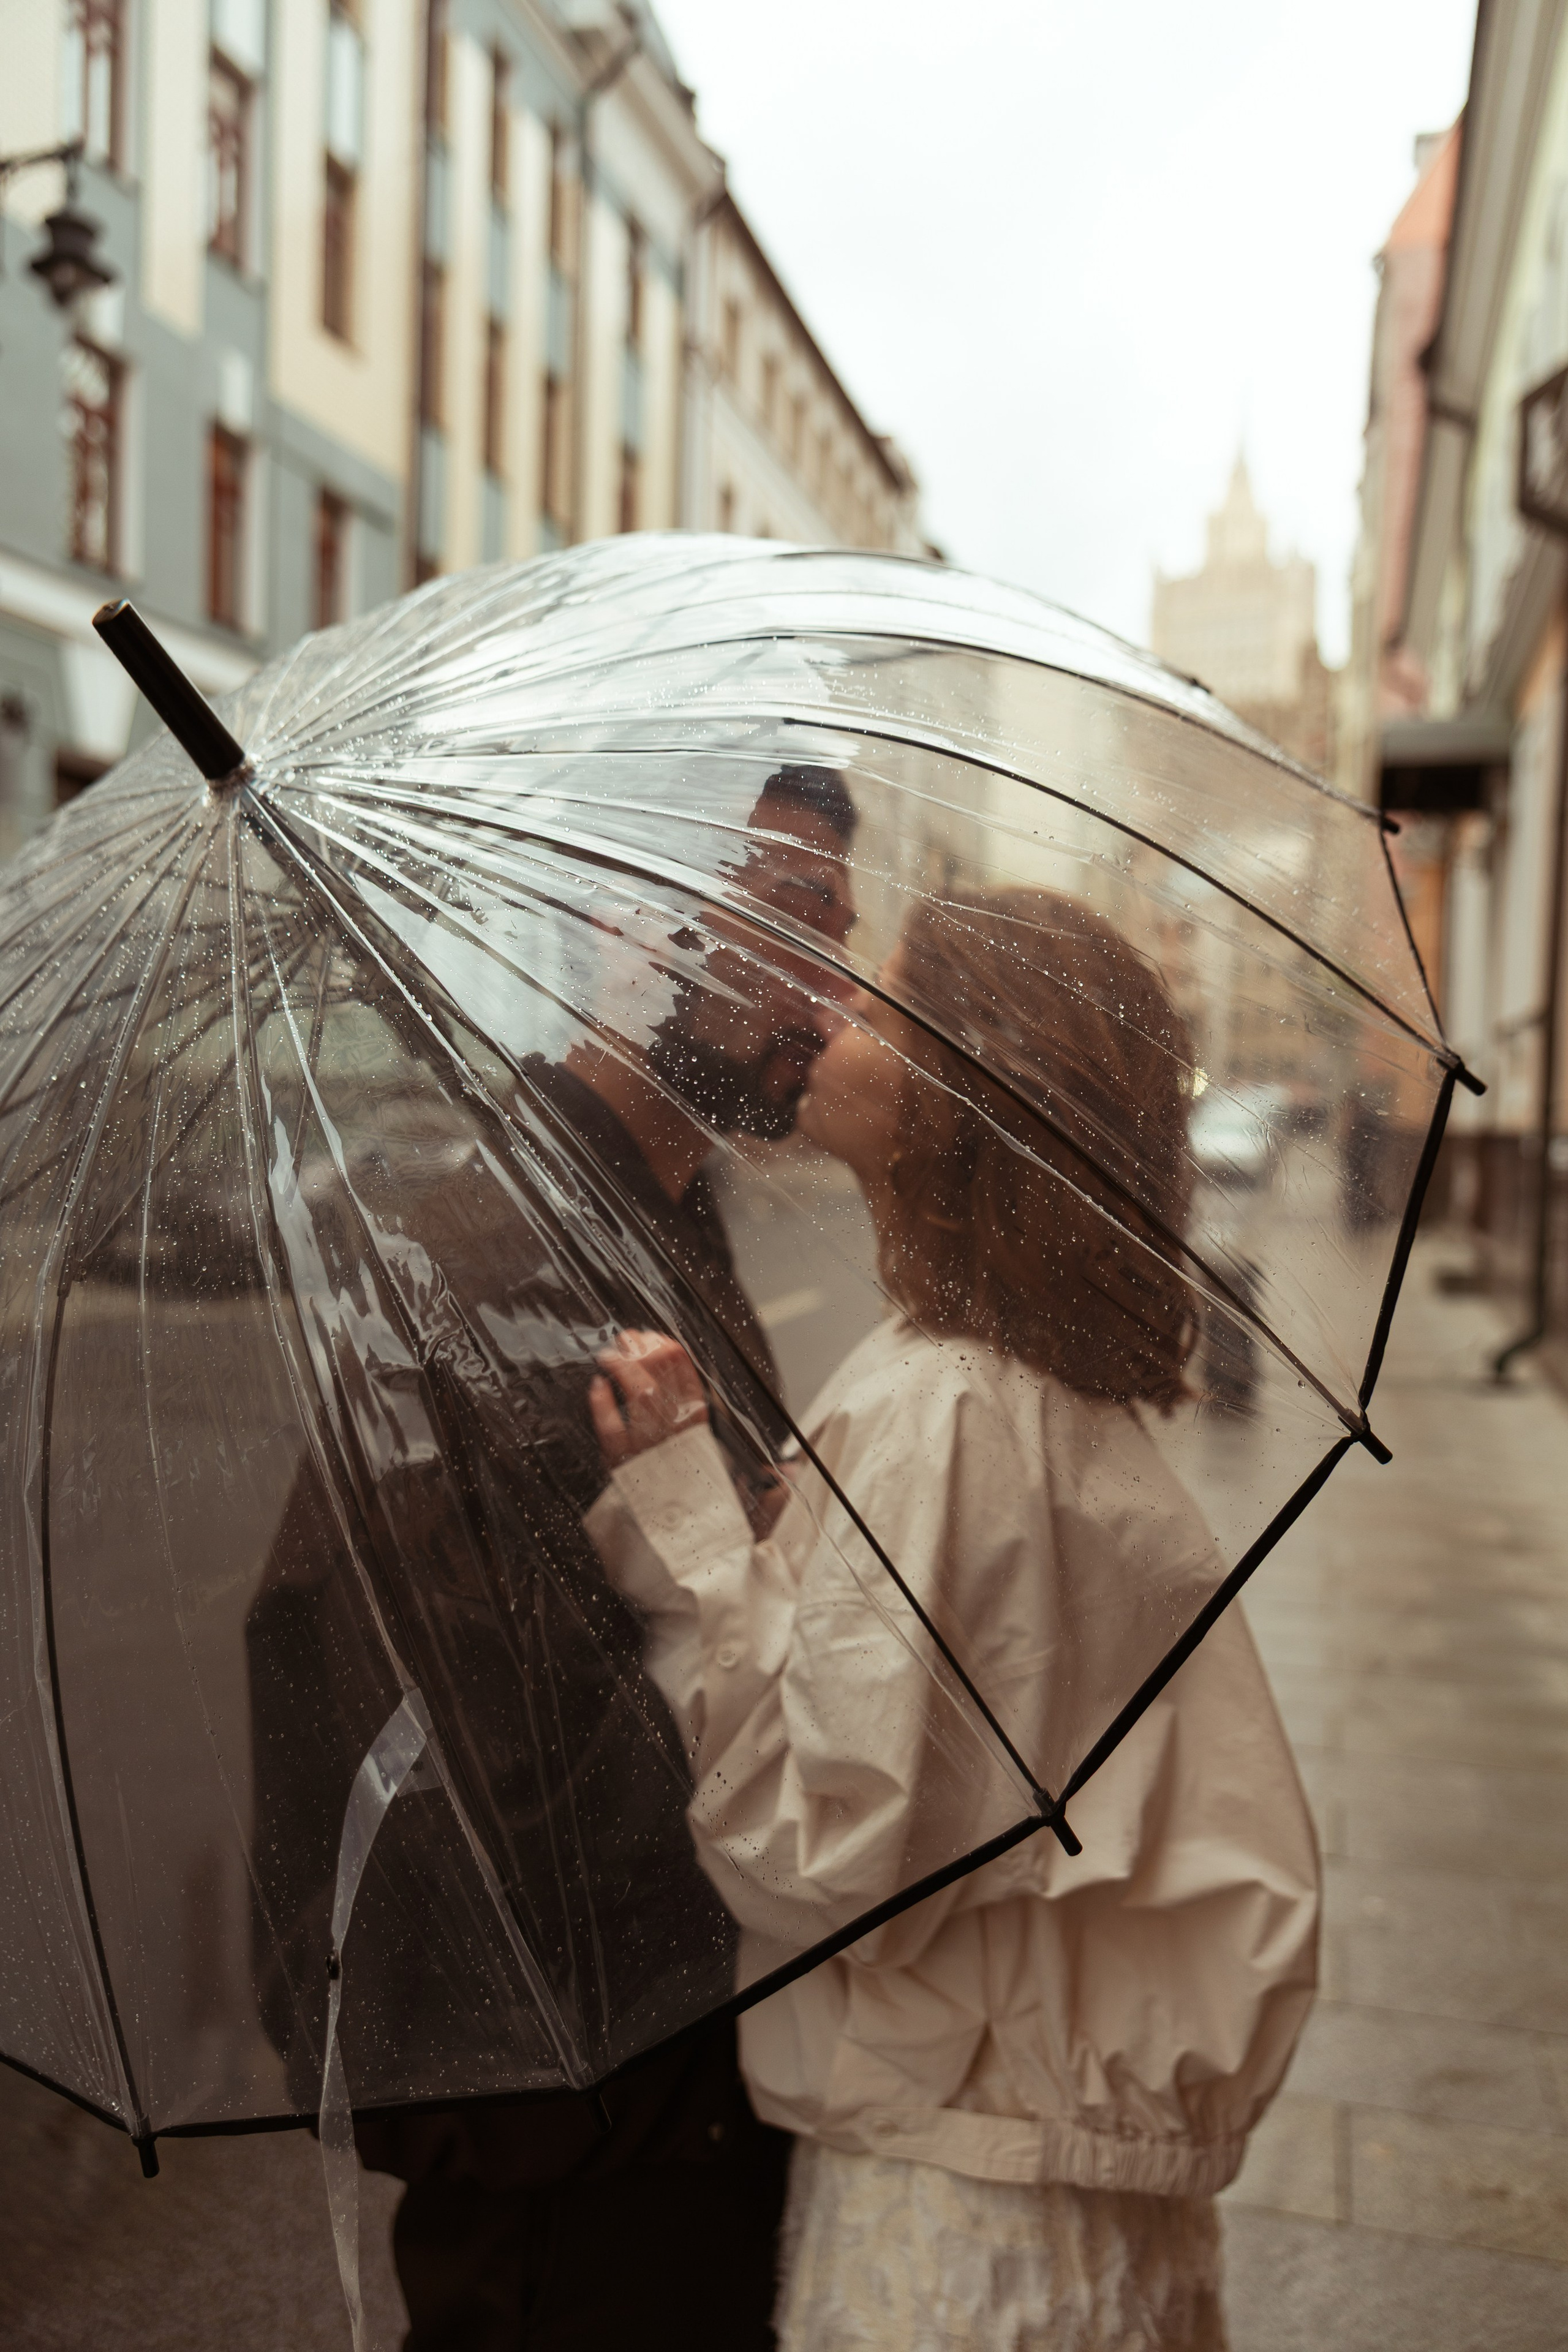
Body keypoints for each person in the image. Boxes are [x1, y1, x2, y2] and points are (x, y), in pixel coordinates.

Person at [585, 887, 1320, 2352]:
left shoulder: (949, 1411)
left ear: (964, 1085)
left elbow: (831, 1850)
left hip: (964, 2217)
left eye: (873, 1001)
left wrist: (689, 1525)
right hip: (1045, 2174)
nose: (826, 1013)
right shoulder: (1023, 1383)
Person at [245, 764, 859, 2351]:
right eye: (794, 924)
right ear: (640, 929)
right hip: (578, 2144)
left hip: (671, 2088)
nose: (831, 996)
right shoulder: (496, 1260)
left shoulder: (656, 1211)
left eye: (842, 937)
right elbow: (456, 1734)